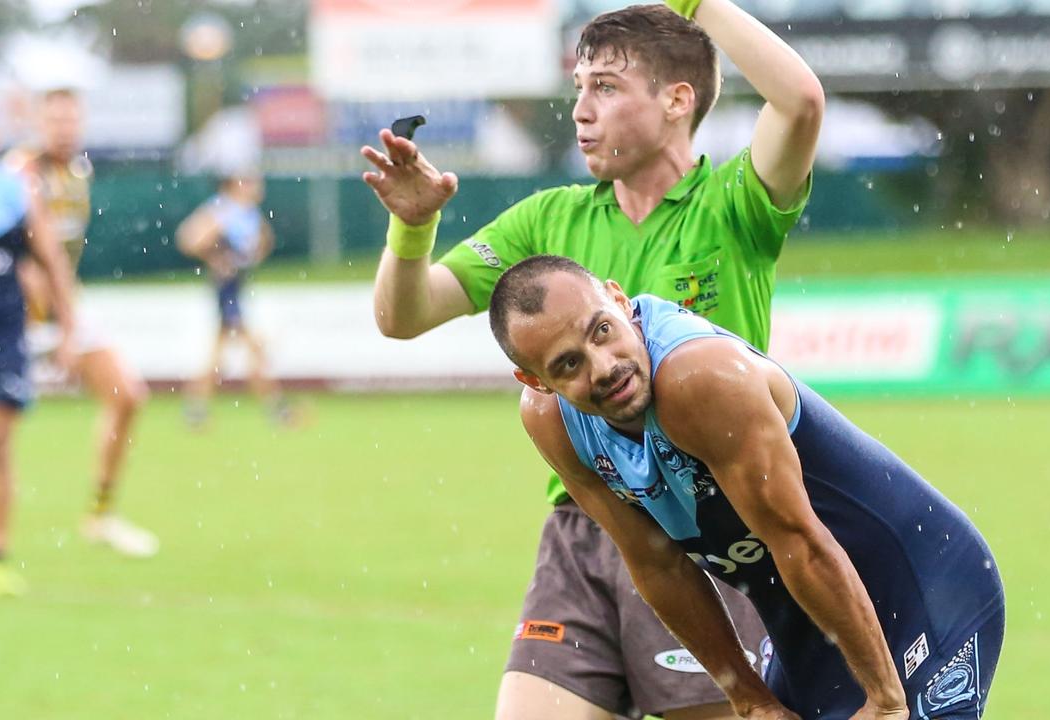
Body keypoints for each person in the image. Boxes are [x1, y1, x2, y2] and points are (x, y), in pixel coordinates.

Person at [362, 1, 823, 716]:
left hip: (707, 530)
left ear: (678, 101)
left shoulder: (733, 205)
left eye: (605, 87)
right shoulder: (549, 220)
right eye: (578, 87)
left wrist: (698, 5)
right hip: (582, 529)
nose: (581, 109)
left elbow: (799, 101)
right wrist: (412, 227)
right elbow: (403, 316)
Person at [489, 256, 1006, 720]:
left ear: (620, 300)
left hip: (923, 585)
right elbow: (656, 565)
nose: (604, 368)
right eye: (568, 365)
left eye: (602, 330)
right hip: (810, 625)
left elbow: (799, 543)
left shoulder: (699, 378)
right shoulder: (551, 423)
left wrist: (888, 702)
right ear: (535, 381)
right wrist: (750, 700)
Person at [7, 88, 158, 558]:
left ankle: (100, 516)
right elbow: (28, 256)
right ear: (37, 123)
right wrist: (54, 329)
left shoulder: (78, 173)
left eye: (71, 120)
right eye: (54, 120)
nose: (64, 129)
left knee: (128, 396)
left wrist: (68, 321)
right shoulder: (21, 172)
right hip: (15, 309)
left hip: (63, 306)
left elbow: (62, 259)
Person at [0, 152, 79, 595]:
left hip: (5, 337)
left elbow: (48, 258)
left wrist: (67, 328)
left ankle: (0, 556)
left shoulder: (14, 186)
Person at [176, 172, 291, 428]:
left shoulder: (248, 212)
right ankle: (277, 408)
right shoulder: (223, 209)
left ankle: (195, 409)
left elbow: (263, 241)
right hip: (226, 288)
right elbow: (189, 238)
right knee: (252, 347)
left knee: (219, 355)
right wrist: (216, 258)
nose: (257, 186)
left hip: (236, 285)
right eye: (252, 181)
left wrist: (249, 258)